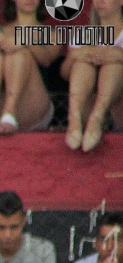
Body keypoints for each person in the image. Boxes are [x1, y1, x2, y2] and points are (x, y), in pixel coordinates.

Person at [0, 0, 60, 135]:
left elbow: (46, 60)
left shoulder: (50, 34)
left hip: (29, 107)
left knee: (19, 53)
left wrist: (24, 40)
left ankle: (9, 112)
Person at [60, 0, 123, 152]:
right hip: (88, 104)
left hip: (118, 107)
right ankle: (74, 118)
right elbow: (65, 73)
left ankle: (98, 116)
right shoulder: (84, 34)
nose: (100, 2)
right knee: (82, 63)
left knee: (114, 65)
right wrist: (75, 56)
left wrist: (119, 56)